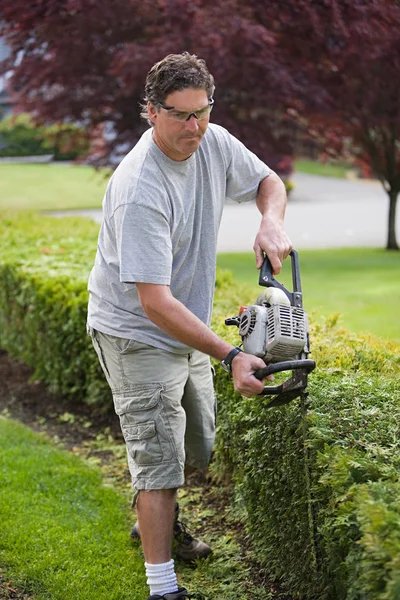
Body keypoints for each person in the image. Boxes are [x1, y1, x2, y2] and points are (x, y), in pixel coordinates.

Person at [87, 52, 292, 600]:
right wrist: (231, 355)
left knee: (194, 444)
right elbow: (154, 303)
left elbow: (268, 181)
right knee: (159, 459)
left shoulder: (213, 140)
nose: (194, 127)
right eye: (180, 115)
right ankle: (163, 585)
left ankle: (154, 518)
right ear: (150, 112)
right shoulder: (140, 189)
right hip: (137, 331)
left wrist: (270, 222)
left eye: (202, 111)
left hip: (183, 325)